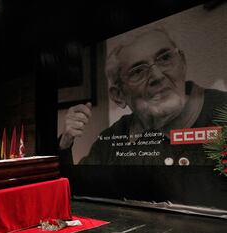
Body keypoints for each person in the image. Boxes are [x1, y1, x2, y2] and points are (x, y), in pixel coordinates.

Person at [59, 28, 227, 166]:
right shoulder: (111, 140)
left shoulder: (222, 110)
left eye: (165, 58)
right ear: (119, 95)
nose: (157, 76)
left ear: (182, 62)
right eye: (138, 71)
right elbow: (79, 186)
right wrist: (65, 142)